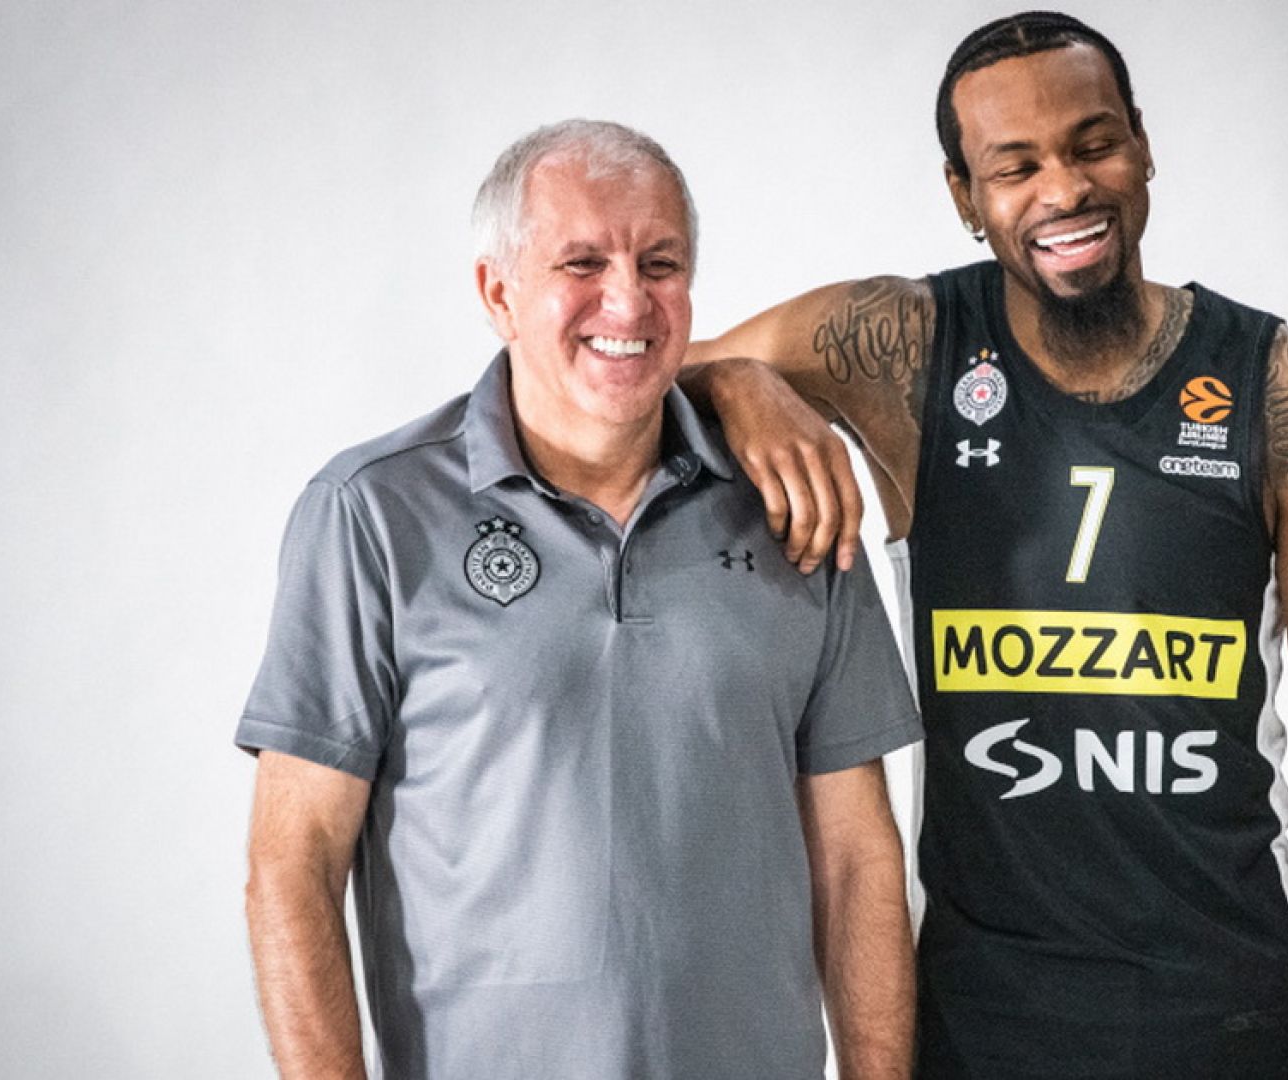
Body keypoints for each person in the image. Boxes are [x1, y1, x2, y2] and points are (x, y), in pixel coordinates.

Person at [681, 12, 1288, 1079]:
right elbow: (637, 376)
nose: (1065, 189)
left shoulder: (1286, 387)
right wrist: (740, 380)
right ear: (963, 195)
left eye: (1093, 144)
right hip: (983, 1030)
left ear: (1143, 144)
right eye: (1015, 167)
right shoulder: (906, 349)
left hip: (1228, 1021)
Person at [238, 119, 921, 1080]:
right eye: (582, 262)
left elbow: (856, 862)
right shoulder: (372, 514)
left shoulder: (796, 501)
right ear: (498, 293)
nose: (628, 298)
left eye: (661, 263)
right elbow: (294, 863)